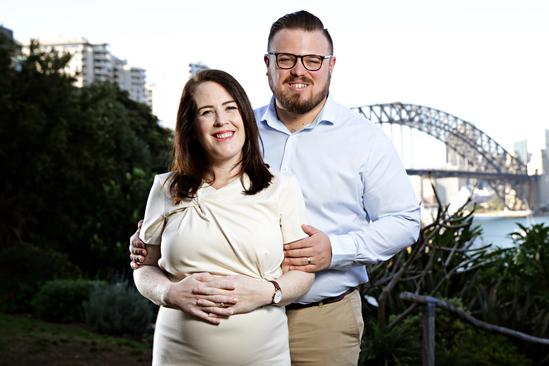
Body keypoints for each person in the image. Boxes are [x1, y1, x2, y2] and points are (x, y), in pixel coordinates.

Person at [131, 10, 420, 365]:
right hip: (224, 323)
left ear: (331, 65)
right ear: (268, 64)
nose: (299, 71)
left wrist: (337, 249)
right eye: (286, 59)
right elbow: (188, 196)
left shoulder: (365, 139)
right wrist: (155, 238)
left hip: (320, 317)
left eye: (313, 59)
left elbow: (405, 220)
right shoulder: (235, 128)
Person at [133, 69, 314, 365]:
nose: (221, 121)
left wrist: (268, 292)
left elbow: (303, 273)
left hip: (263, 356)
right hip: (178, 355)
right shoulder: (165, 188)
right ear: (191, 126)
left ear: (244, 116)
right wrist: (169, 292)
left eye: (230, 108)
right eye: (207, 112)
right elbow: (143, 268)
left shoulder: (282, 188)